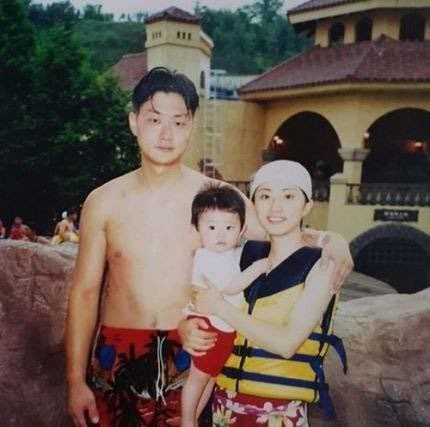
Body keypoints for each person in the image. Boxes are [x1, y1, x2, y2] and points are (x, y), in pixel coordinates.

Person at [66, 67, 353, 427]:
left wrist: (333, 241)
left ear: (191, 127)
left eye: (178, 122)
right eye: (154, 120)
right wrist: (74, 380)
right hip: (119, 351)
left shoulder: (219, 199)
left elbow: (282, 227)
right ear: (134, 122)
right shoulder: (103, 201)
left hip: (193, 349)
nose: (166, 134)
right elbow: (85, 292)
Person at [192, 160, 347, 426]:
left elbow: (287, 343)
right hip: (223, 408)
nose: (275, 207)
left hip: (279, 414)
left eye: (288, 196)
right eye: (265, 196)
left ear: (307, 206)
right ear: (253, 205)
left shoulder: (322, 266)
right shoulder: (240, 255)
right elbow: (196, 298)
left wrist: (218, 306)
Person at [181, 184, 269, 426]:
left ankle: (193, 418)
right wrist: (258, 268)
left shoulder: (226, 255)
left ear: (242, 230)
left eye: (229, 227)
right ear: (196, 229)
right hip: (210, 326)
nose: (220, 235)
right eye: (211, 227)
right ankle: (187, 421)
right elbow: (229, 287)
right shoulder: (208, 257)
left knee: (209, 377)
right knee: (198, 378)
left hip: (222, 326)